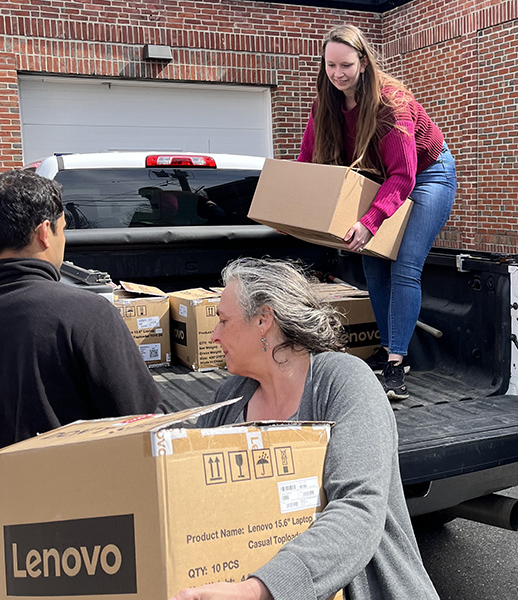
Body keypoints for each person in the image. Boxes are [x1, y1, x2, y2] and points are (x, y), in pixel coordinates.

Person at [170, 257, 439, 600]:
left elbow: (358, 509)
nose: (214, 334)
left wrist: (258, 591)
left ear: (263, 320)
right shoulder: (230, 397)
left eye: (223, 320)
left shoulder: (344, 382)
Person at [297, 24, 457, 401]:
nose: (338, 74)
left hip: (428, 174)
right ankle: (390, 352)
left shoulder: (391, 104)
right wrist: (300, 209)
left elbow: (404, 174)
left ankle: (396, 366)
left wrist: (371, 222)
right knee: (373, 266)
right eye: (331, 65)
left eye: (346, 65)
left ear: (364, 62)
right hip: (383, 178)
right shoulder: (326, 101)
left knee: (404, 264)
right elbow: (307, 160)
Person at [0, 169, 161, 448]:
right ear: (44, 233)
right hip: (64, 486)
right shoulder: (85, 314)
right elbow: (143, 422)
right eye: (62, 230)